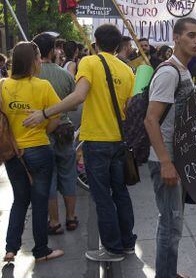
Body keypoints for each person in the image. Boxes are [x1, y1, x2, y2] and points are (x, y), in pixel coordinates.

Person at [23, 24, 137, 262]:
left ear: (95, 43)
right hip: (119, 141)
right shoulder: (127, 71)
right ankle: (127, 243)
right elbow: (129, 109)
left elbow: (79, 95)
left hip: (96, 140)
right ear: (119, 45)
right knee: (120, 193)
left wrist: (45, 113)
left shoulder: (90, 62)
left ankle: (112, 248)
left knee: (102, 196)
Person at [144, 17, 196, 278]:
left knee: (173, 222)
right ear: (176, 38)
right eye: (191, 35)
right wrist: (166, 162)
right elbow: (151, 119)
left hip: (178, 158)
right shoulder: (169, 72)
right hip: (166, 160)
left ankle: (168, 271)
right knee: (170, 224)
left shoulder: (183, 69)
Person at [1, 41, 64, 263]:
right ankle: (41, 251)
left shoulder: (3, 86)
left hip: (12, 152)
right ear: (32, 61)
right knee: (39, 201)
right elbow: (55, 119)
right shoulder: (42, 86)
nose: (39, 62)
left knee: (19, 200)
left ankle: (10, 248)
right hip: (38, 149)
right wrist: (44, 128)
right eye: (37, 58)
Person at [32, 32, 79, 235]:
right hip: (64, 132)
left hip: (39, 133)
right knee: (68, 175)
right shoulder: (66, 75)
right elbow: (75, 105)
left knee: (47, 178)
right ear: (53, 51)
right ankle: (70, 218)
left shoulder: (31, 77)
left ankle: (54, 221)